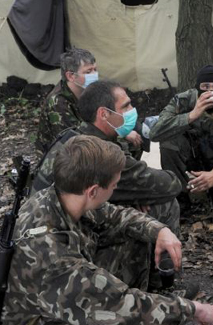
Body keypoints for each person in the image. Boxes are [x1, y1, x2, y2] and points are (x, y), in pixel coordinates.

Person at [0, 135, 213, 325]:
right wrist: (192, 310)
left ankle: (154, 306)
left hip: (56, 297)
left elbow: (116, 215)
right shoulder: (52, 255)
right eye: (113, 185)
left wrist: (159, 231)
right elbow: (121, 306)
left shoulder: (61, 194)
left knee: (132, 236)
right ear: (92, 191)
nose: (116, 188)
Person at [32, 80, 182, 238]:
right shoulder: (100, 153)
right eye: (125, 106)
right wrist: (141, 194)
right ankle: (165, 262)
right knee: (165, 205)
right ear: (103, 114)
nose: (132, 111)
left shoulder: (74, 135)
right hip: (64, 240)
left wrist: (136, 194)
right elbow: (171, 184)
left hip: (48, 226)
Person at [149, 65, 213, 232]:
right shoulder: (184, 100)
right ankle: (180, 199)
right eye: (205, 87)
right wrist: (191, 115)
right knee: (169, 142)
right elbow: (155, 132)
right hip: (193, 155)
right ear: (197, 88)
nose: (211, 91)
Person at [35, 47, 143, 156]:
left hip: (86, 140)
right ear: (71, 76)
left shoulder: (89, 90)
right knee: (123, 147)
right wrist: (122, 135)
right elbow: (74, 141)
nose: (94, 74)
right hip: (61, 156)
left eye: (95, 69)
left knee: (136, 136)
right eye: (88, 71)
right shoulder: (58, 102)